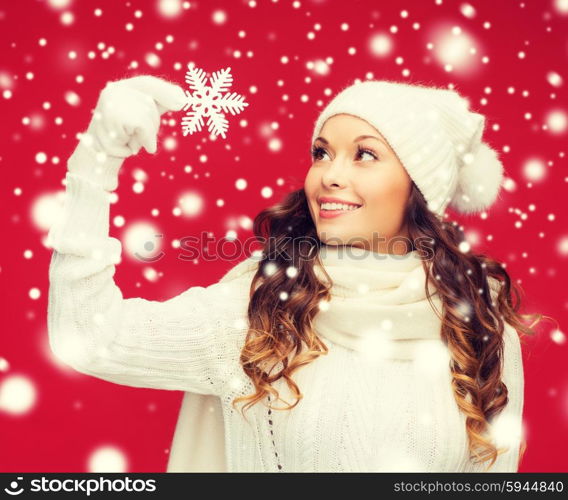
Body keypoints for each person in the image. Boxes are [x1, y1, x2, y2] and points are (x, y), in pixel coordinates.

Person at [47, 75, 540, 473]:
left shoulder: (476, 324)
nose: (328, 174)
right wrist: (96, 160)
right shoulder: (263, 308)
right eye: (321, 152)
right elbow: (89, 337)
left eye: (364, 154)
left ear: (419, 190)